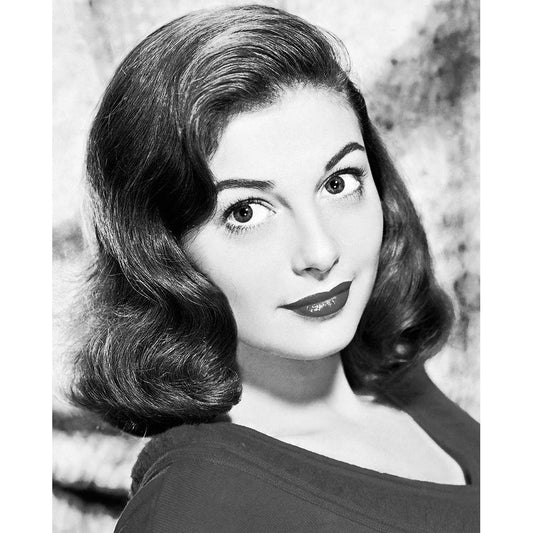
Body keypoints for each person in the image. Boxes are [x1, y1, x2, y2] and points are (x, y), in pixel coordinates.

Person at [69, 5, 479, 532]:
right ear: (162, 252)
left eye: (339, 183)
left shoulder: (402, 388)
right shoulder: (195, 506)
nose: (320, 251)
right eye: (246, 212)